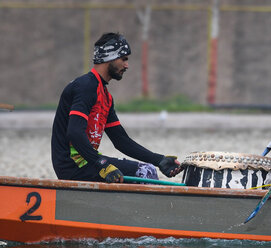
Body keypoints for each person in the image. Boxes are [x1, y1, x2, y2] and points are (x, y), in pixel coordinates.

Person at [51, 32, 182, 183]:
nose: (127, 65)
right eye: (124, 59)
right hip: (72, 165)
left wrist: (159, 160)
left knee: (149, 168)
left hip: (88, 162)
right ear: (109, 57)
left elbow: (121, 140)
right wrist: (102, 164)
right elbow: (74, 132)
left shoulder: (105, 97)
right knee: (144, 172)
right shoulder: (85, 87)